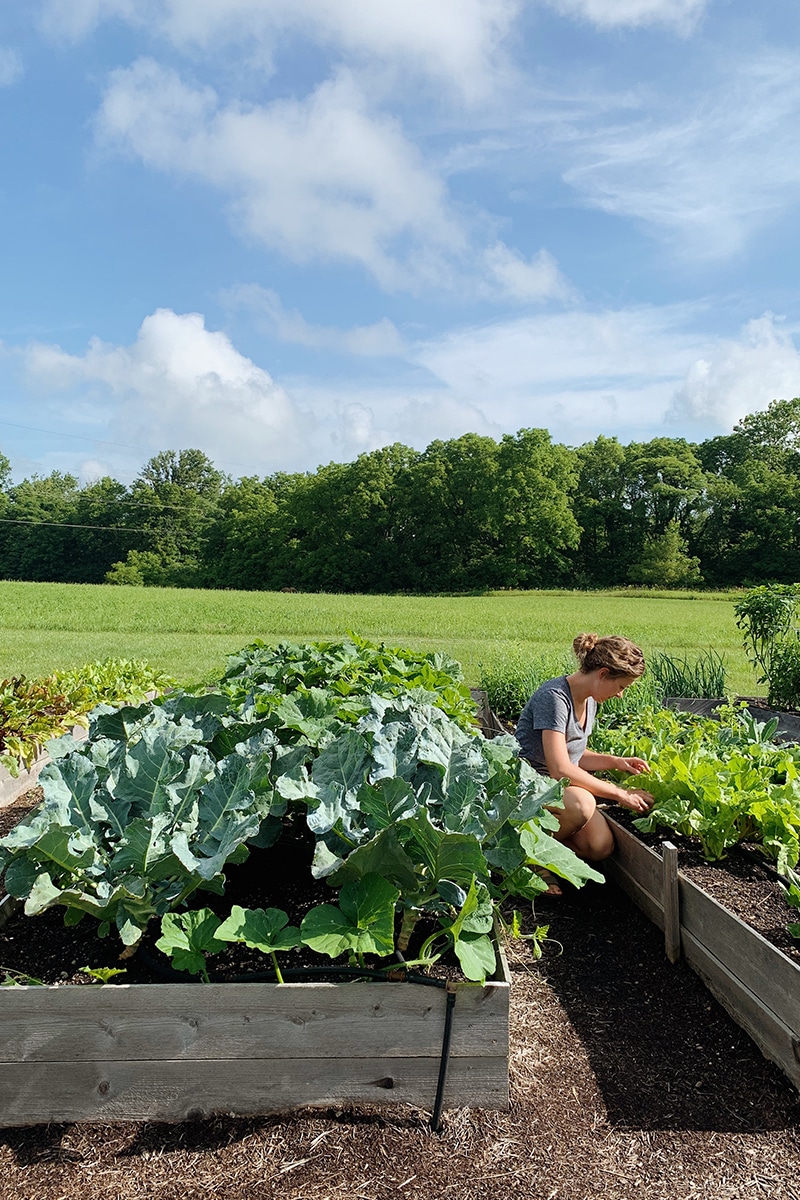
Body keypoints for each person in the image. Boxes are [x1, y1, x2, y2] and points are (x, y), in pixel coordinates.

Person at [515, 633, 655, 864]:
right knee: (582, 804)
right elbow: (560, 768)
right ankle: (523, 856)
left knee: (599, 845)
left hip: (554, 789)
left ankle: (543, 850)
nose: (620, 694)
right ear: (603, 674)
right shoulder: (554, 698)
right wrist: (619, 793)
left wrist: (615, 761)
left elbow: (574, 754)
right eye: (621, 686)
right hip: (528, 787)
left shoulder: (589, 700)